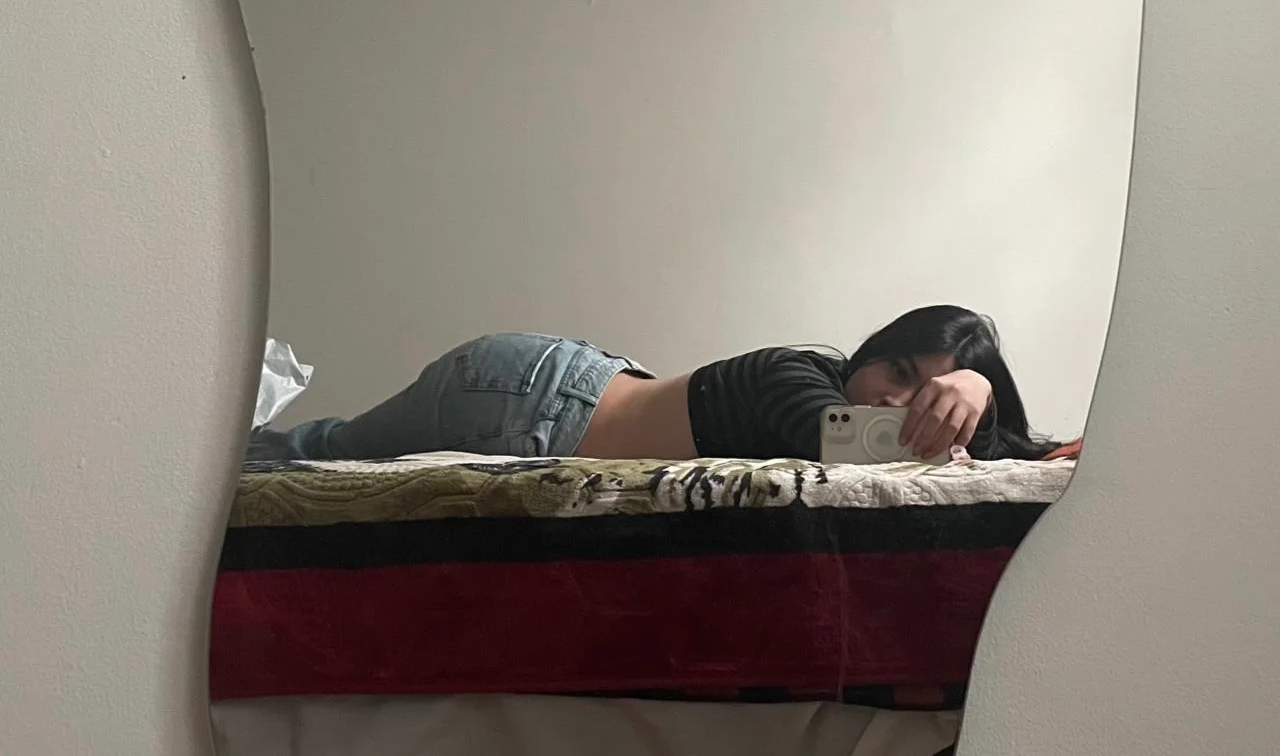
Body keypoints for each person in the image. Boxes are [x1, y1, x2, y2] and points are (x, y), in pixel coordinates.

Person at [246, 305, 1060, 464]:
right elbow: (854, 449)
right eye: (898, 372)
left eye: (925, 394)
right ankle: (212, 434)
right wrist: (972, 392)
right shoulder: (798, 380)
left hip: (558, 390)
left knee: (326, 448)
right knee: (319, 455)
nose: (895, 400)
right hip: (525, 394)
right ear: (869, 354)